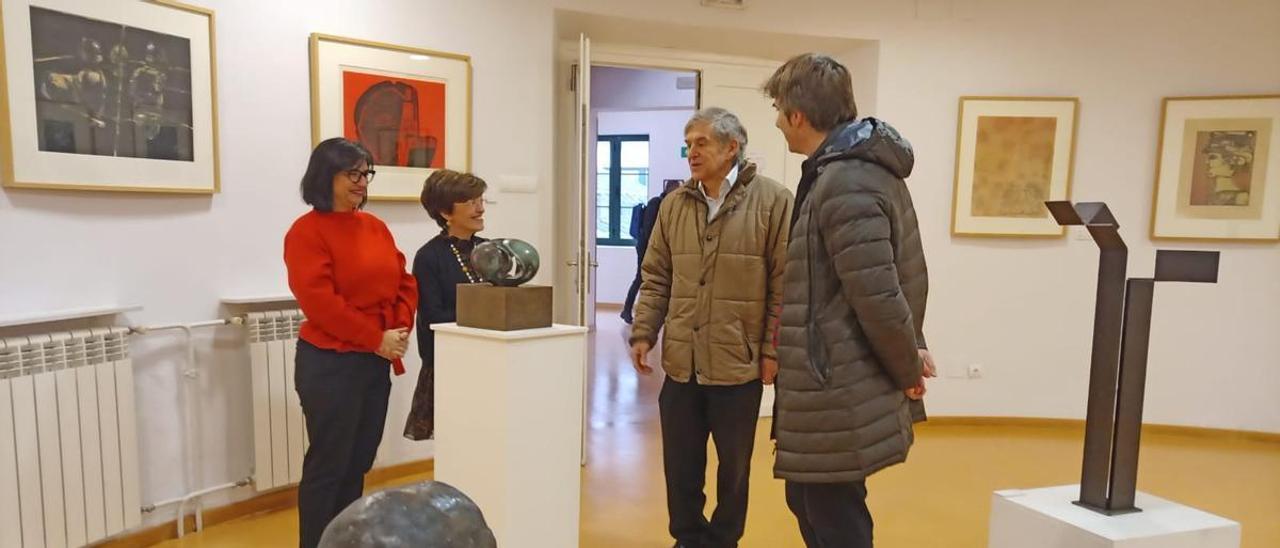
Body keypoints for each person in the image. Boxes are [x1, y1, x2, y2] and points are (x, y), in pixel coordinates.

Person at [763, 53, 935, 548]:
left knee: (833, 512)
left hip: (836, 377)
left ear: (797, 114)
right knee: (811, 500)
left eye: (778, 109)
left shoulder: (847, 180)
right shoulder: (843, 171)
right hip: (830, 375)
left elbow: (878, 293)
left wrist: (908, 369)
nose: (776, 121)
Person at [629, 107, 793, 548]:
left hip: (737, 366)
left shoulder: (775, 202)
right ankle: (687, 538)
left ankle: (723, 540)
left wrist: (772, 350)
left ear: (731, 147)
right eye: (689, 143)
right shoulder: (674, 205)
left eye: (701, 142)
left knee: (734, 468)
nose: (691, 151)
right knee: (680, 465)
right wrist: (644, 331)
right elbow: (656, 274)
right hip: (682, 362)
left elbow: (785, 285)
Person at [284, 137, 417, 548]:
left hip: (373, 361)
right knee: (330, 464)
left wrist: (396, 331)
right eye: (352, 174)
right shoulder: (306, 232)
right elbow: (320, 302)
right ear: (327, 177)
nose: (362, 183)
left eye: (366, 174)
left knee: (358, 460)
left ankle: (344, 541)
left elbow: (404, 282)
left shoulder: (374, 226)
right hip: (330, 363)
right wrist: (374, 338)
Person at [403, 170, 488, 441]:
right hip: (451, 361)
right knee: (459, 440)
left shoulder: (492, 251)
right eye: (471, 201)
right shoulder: (429, 256)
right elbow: (432, 316)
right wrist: (487, 314)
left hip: (490, 358)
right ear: (445, 212)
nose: (480, 207)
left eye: (481, 199)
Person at [621, 178, 683, 324]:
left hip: (654, 248)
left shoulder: (666, 204)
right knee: (641, 278)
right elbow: (649, 230)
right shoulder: (656, 203)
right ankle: (627, 310)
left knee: (652, 279)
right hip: (646, 248)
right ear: (670, 190)